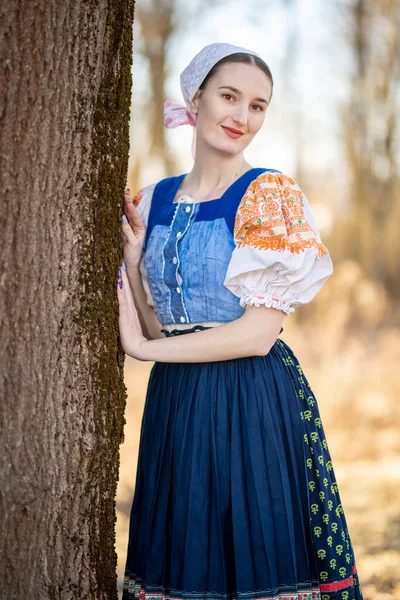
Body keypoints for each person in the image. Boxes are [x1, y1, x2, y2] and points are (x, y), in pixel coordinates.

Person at [117, 42, 363, 600]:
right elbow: (161, 331)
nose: (241, 117)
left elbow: (256, 336)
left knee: (255, 554)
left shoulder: (269, 194)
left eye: (257, 105)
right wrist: (134, 265)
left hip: (252, 400)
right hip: (176, 402)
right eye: (229, 96)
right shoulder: (154, 199)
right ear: (196, 98)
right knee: (185, 559)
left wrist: (140, 349)